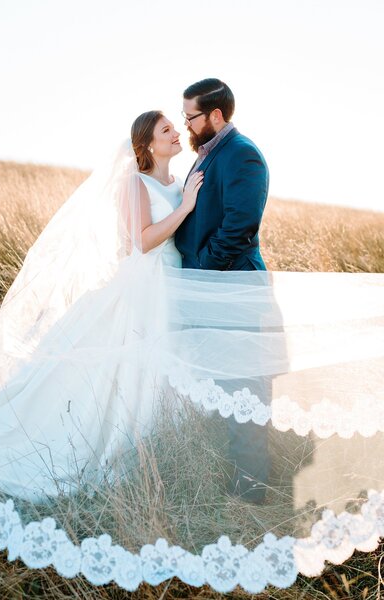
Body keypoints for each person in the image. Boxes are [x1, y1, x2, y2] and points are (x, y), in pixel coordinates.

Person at [0, 107, 383, 596]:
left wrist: (193, 205)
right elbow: (143, 241)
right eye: (166, 130)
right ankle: (104, 448)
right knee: (127, 371)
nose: (177, 132)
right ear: (147, 145)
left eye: (177, 126)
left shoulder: (184, 177)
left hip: (174, 289)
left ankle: (155, 443)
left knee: (160, 375)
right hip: (144, 288)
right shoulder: (137, 183)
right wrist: (186, 208)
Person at [175, 78, 271, 502]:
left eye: (190, 116)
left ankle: (251, 487)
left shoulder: (242, 154)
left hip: (234, 290)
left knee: (245, 385)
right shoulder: (208, 156)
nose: (186, 124)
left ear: (215, 115)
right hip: (213, 288)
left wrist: (202, 275)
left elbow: (239, 228)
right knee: (222, 383)